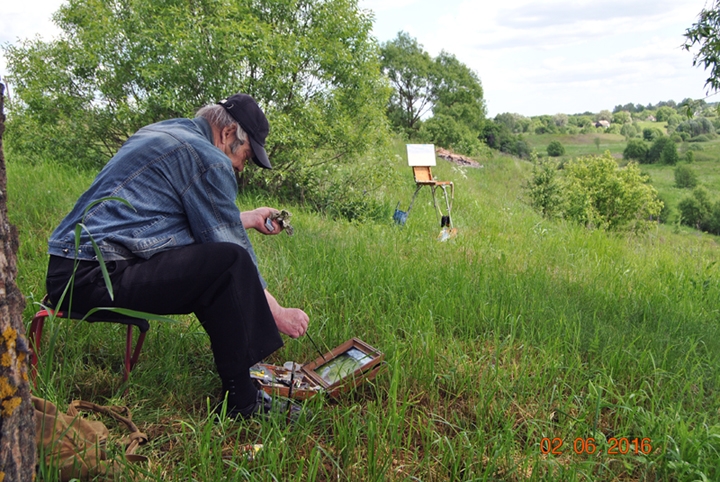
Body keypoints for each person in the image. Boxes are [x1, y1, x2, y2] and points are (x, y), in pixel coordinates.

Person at [45, 93, 309, 419]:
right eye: (246, 154)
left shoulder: (164, 133)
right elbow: (228, 244)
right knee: (228, 264)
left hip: (68, 271)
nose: (241, 166)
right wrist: (277, 312)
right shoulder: (207, 158)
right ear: (228, 134)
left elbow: (173, 223)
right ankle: (244, 403)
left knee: (214, 262)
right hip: (95, 277)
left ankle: (244, 388)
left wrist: (250, 217)